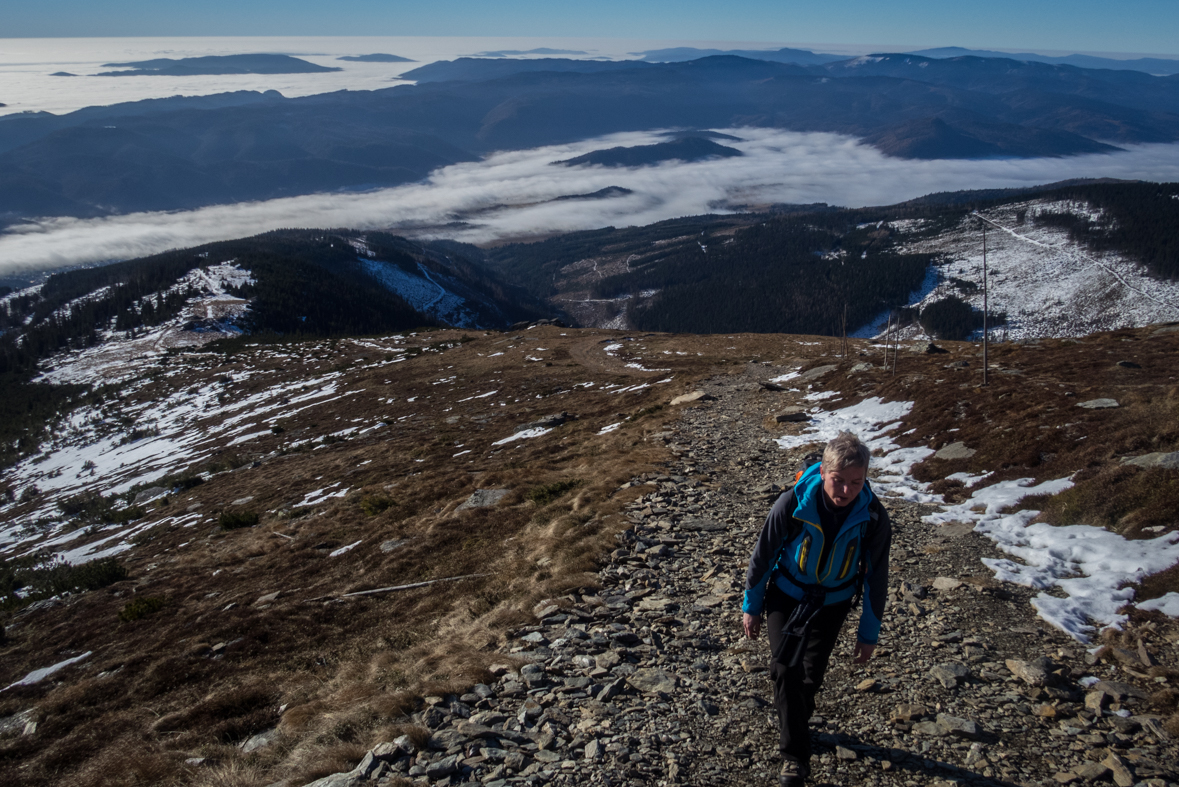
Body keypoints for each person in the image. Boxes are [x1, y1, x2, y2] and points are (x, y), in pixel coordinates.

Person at [741, 431, 892, 787]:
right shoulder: (792, 502)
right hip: (787, 594)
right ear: (823, 472)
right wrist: (753, 606)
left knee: (811, 675)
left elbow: (876, 577)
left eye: (856, 483)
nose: (845, 492)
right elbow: (762, 557)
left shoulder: (873, 516)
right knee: (783, 667)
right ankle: (795, 757)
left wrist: (868, 633)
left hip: (833, 602)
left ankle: (795, 715)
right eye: (838, 481)